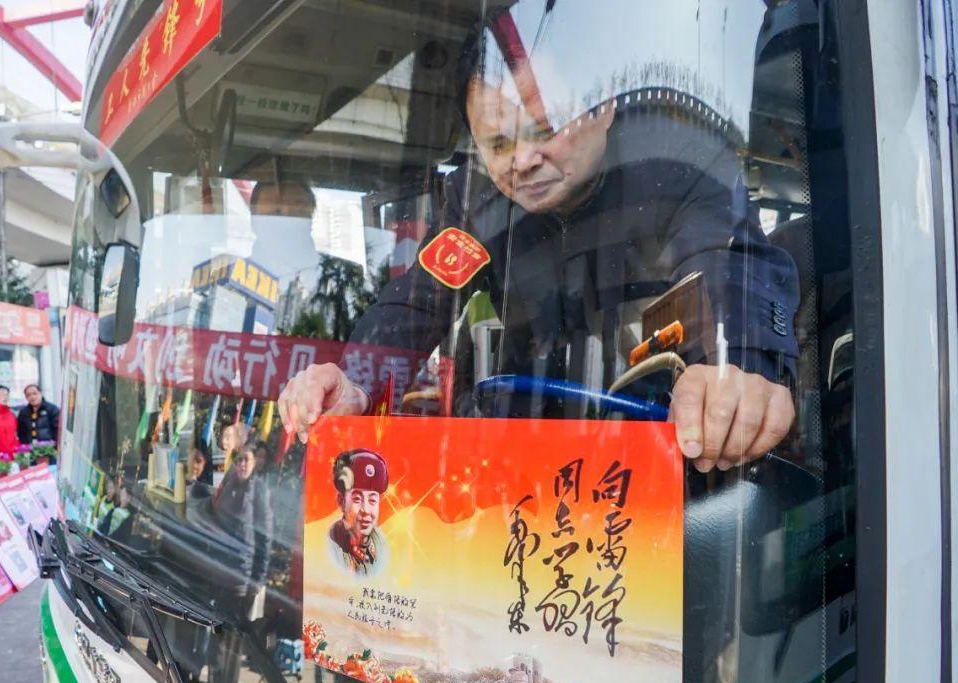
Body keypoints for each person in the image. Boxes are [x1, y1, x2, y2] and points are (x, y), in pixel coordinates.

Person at [278, 6, 799, 473]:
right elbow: (418, 301)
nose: (523, 161)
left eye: (546, 128)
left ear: (604, 106)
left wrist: (738, 367)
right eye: (498, 143)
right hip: (520, 462)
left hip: (661, 457)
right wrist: (356, 380)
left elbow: (726, 263)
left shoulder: (674, 159)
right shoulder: (476, 203)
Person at [213, 444, 274, 610]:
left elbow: (265, 539)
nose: (242, 464)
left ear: (254, 463)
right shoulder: (227, 483)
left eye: (246, 460)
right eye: (239, 460)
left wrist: (258, 579)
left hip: (241, 572)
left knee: (232, 617)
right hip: (217, 566)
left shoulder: (260, 490)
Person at [327, 449, 388, 576]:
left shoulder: (381, 545)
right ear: (341, 502)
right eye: (357, 499)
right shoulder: (330, 547)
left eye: (372, 500)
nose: (366, 510)